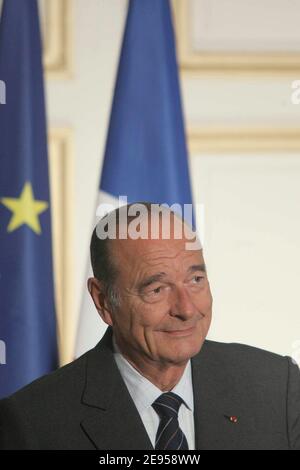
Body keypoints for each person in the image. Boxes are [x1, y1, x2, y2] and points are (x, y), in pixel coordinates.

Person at [0, 202, 299, 450]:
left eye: (196, 280)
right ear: (103, 301)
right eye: (157, 289)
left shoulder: (276, 387)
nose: (186, 308)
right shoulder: (33, 423)